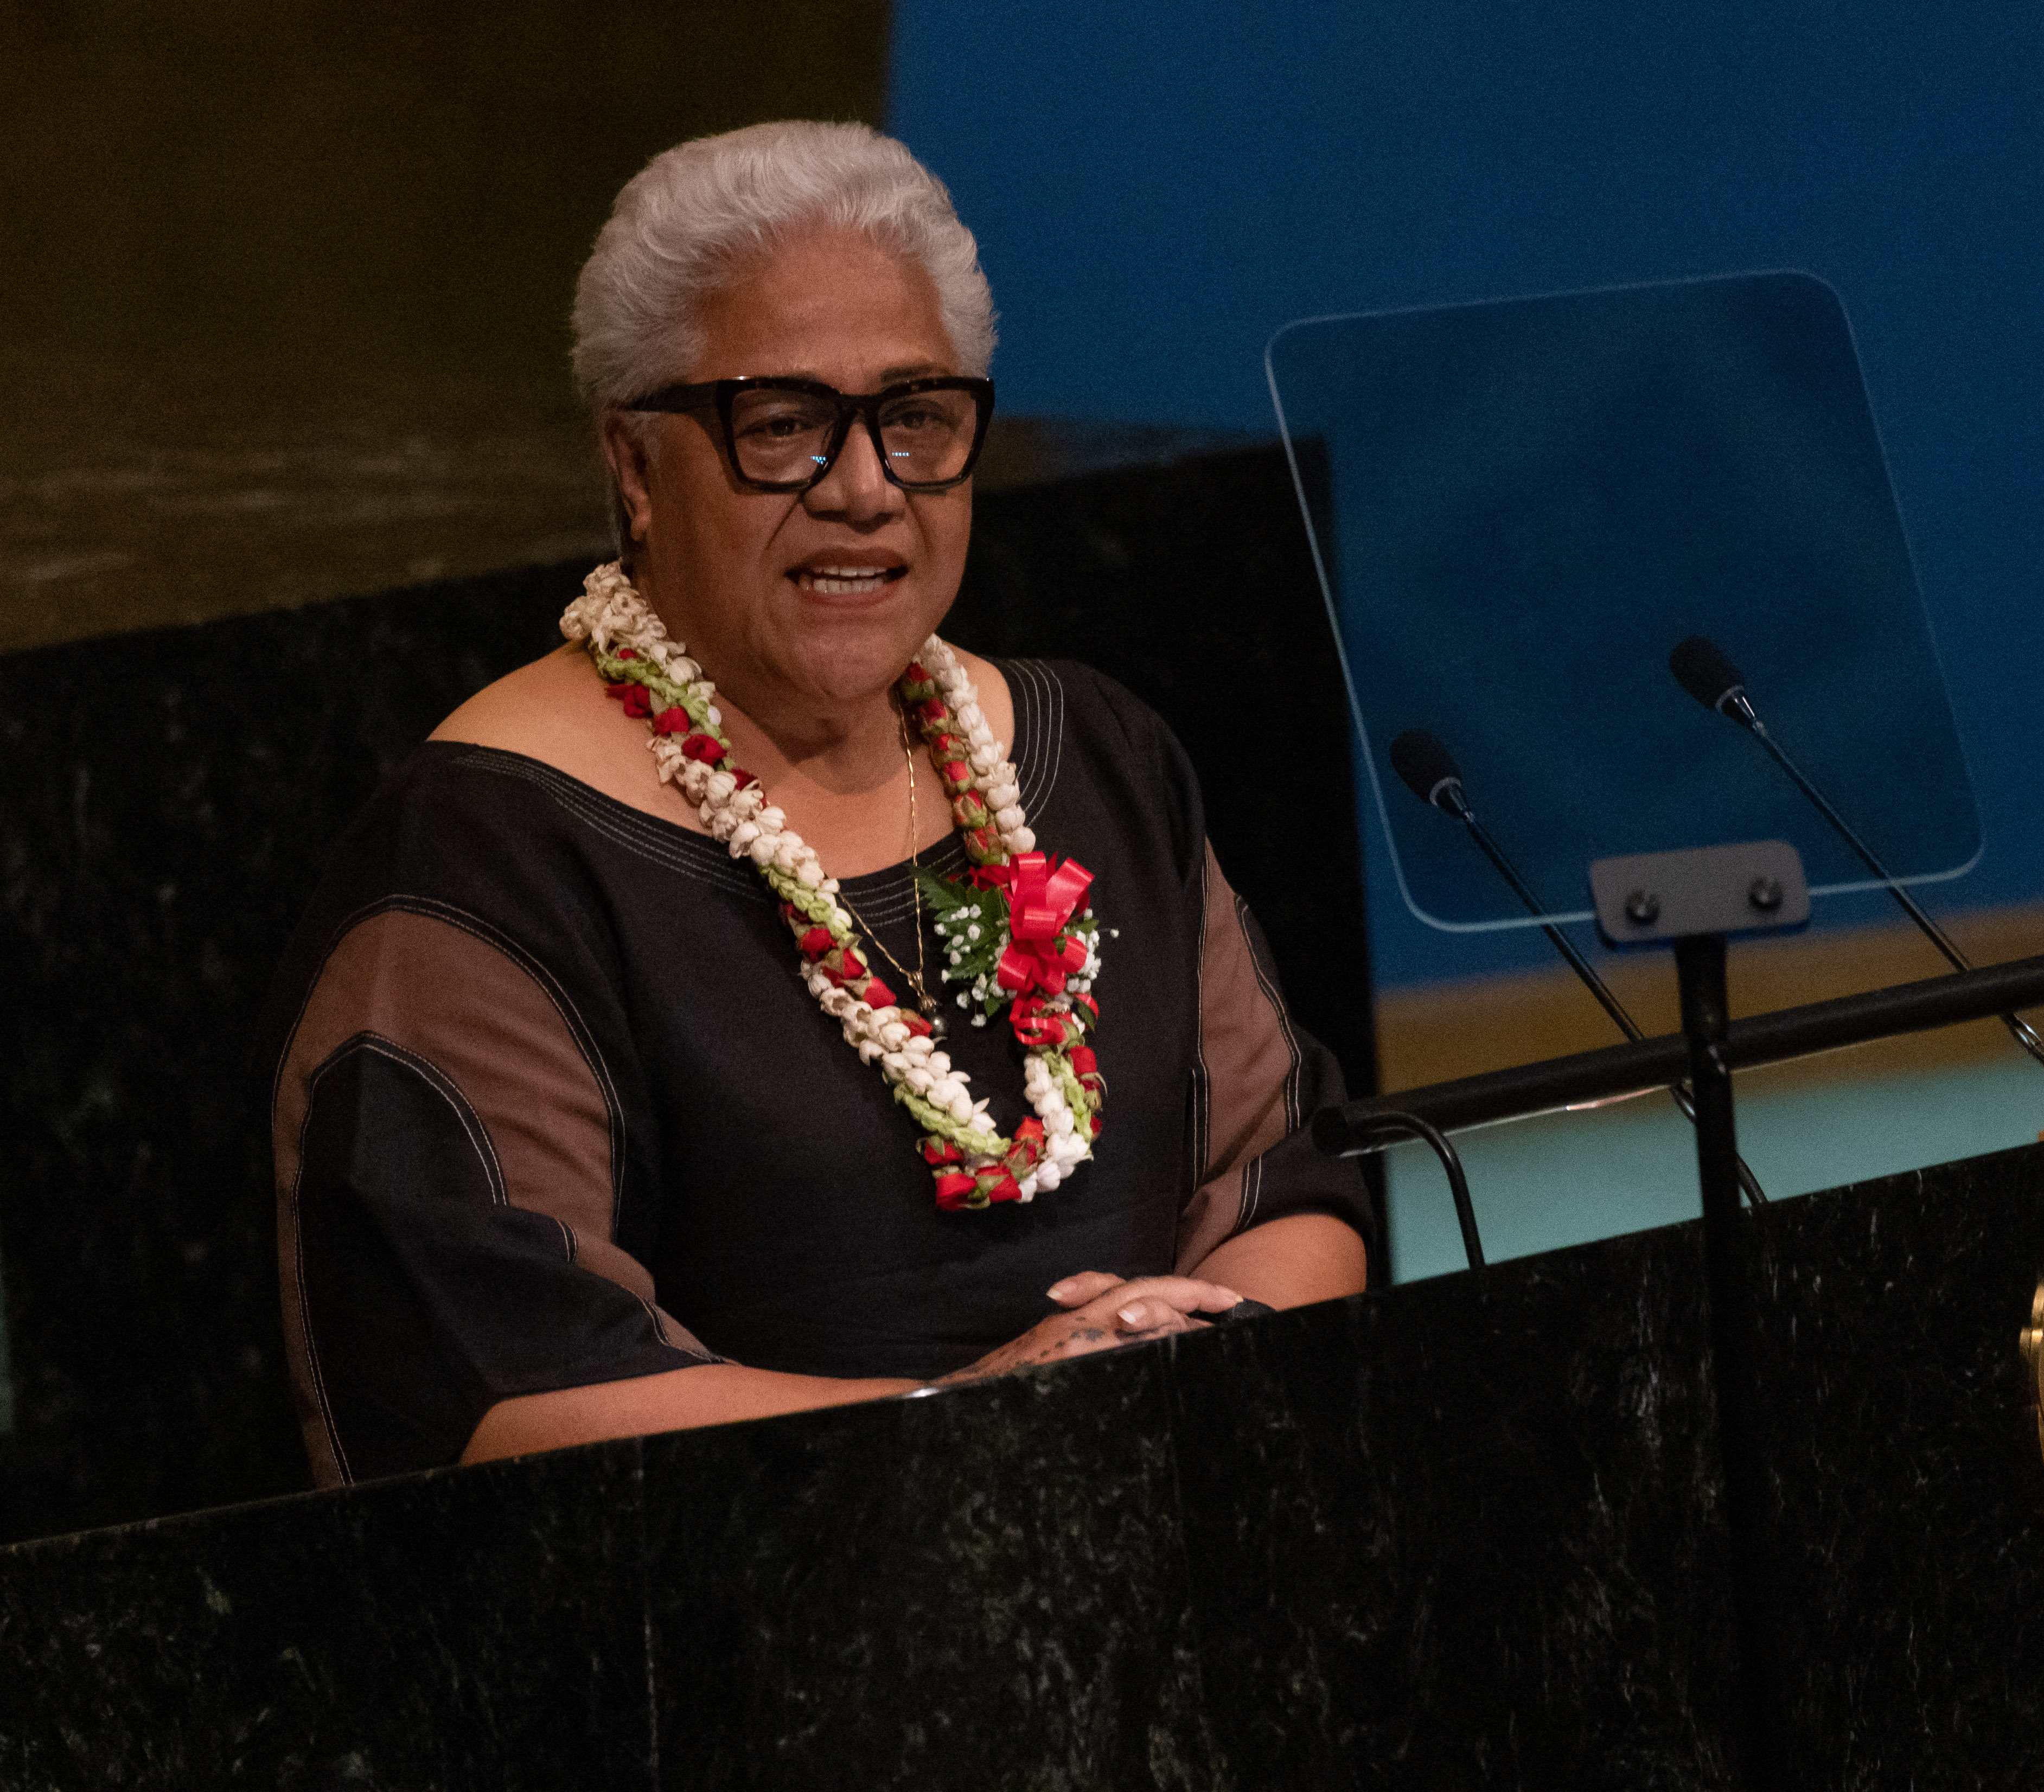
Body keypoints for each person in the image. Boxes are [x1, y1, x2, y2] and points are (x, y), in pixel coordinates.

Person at [263, 121, 1370, 1488]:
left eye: (916, 420)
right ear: (633, 467)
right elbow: (498, 1388)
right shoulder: (492, 855)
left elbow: (1286, 1178)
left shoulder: (1095, 759)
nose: (864, 490)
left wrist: (1209, 1340)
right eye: (782, 426)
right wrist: (963, 1429)